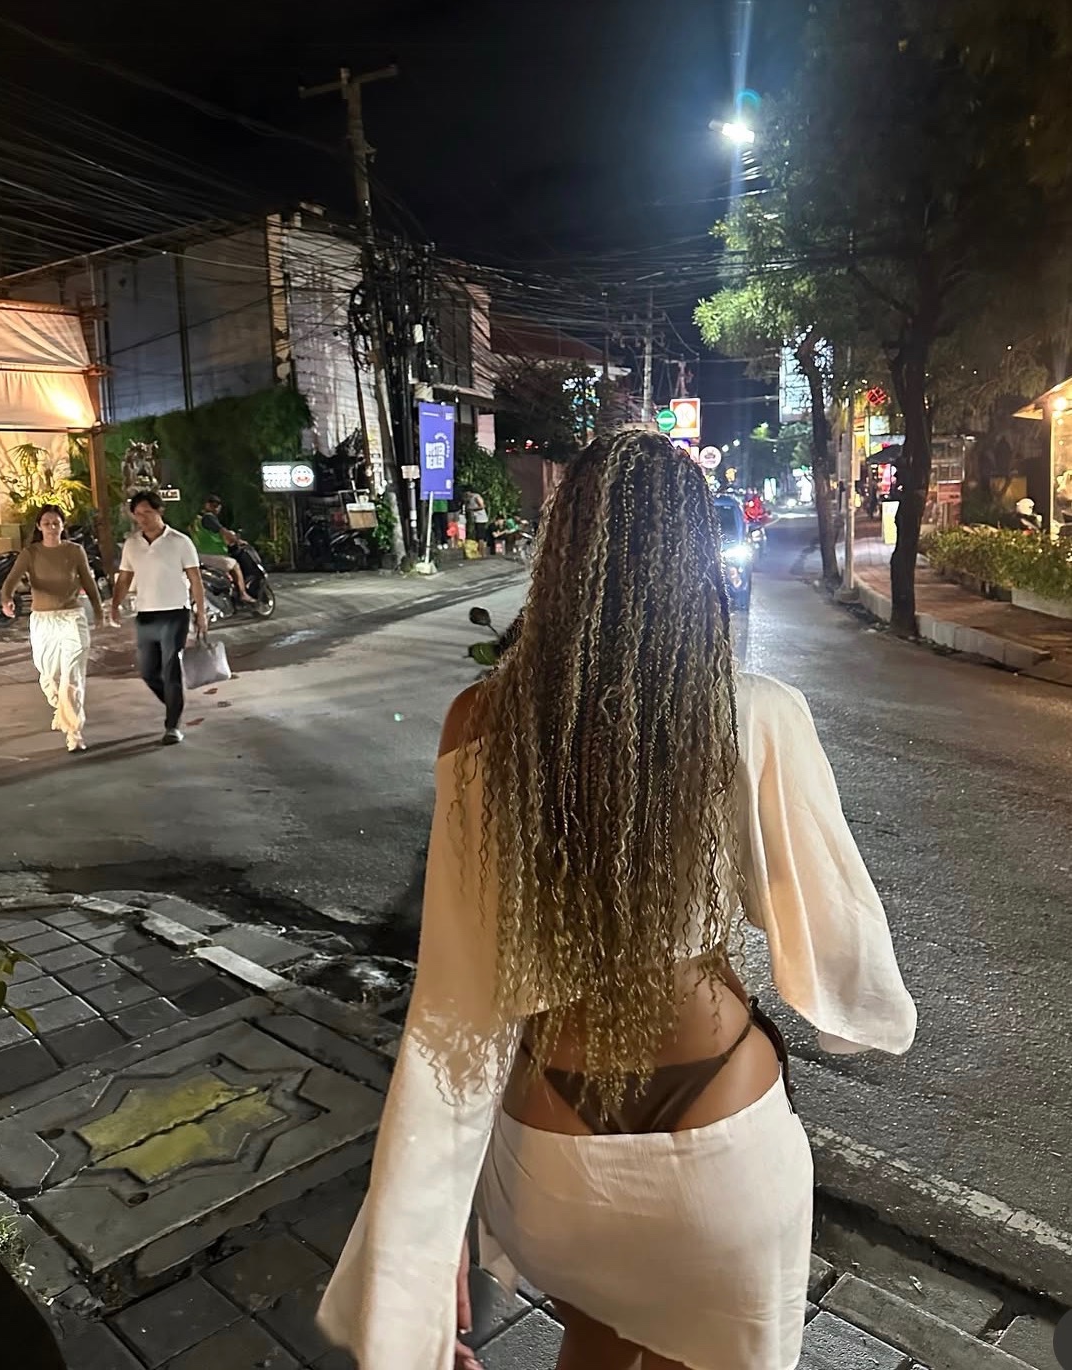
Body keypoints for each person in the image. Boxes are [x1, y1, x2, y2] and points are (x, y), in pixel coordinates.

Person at [317, 432, 917, 1370]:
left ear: (561, 558)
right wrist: (854, 1016)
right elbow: (835, 936)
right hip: (719, 1133)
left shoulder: (480, 723)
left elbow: (454, 998)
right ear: (692, 561)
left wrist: (420, 1258)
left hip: (552, 1156)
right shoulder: (756, 712)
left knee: (595, 1338)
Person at [0, 504, 103, 753]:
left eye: (56, 523)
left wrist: (99, 611)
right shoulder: (31, 553)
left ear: (62, 525)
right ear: (39, 526)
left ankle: (74, 732)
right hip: (43, 620)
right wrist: (6, 600)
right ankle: (61, 708)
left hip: (72, 618)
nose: (52, 527)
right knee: (49, 676)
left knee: (72, 676)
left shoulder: (74, 551)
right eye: (47, 523)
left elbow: (88, 581)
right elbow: (10, 581)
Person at [110, 491, 208, 746]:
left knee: (170, 666)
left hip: (175, 612)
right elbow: (125, 578)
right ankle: (175, 703)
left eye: (147, 512)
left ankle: (172, 725)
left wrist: (201, 613)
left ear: (160, 511)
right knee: (148, 671)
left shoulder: (180, 541)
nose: (142, 518)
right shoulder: (132, 544)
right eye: (138, 514)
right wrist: (115, 604)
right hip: (146, 614)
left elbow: (195, 579)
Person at [190, 495, 255, 603]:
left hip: (200, 554)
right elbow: (224, 532)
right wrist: (238, 541)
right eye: (212, 505)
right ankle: (243, 594)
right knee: (235, 565)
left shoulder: (197, 519)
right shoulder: (209, 518)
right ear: (206, 505)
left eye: (217, 505)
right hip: (210, 555)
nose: (215, 508)